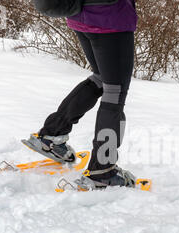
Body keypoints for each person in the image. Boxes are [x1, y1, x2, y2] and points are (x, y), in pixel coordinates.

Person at [24, 0, 138, 190]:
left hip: (80, 16)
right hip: (110, 18)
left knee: (101, 79)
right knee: (114, 92)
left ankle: (52, 135)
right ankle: (103, 171)